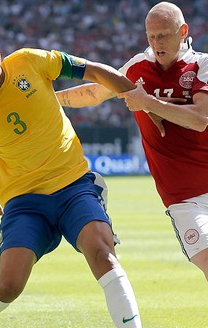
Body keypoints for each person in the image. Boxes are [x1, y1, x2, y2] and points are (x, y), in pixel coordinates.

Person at [0, 28, 163, 328]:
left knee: (102, 252)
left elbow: (93, 70)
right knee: (9, 285)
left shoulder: (31, 60)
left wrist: (137, 96)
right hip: (24, 201)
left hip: (73, 184)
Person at [56, 2, 208, 280]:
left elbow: (200, 118)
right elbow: (95, 93)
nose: (156, 42)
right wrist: (49, 101)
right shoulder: (138, 66)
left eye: (163, 35)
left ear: (183, 30)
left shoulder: (202, 64)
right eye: (151, 35)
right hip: (184, 199)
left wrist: (148, 102)